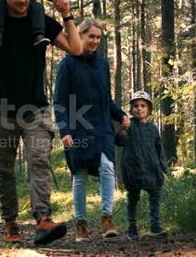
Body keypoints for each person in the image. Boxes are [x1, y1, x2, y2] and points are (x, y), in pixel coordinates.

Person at [0, 0, 82, 245]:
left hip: (35, 108)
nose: (22, 0)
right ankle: (10, 222)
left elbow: (76, 48)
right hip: (0, 110)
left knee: (39, 162)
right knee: (3, 170)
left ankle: (43, 219)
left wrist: (67, 15)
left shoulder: (42, 21)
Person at [53, 18, 130, 242]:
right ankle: (81, 224)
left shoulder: (103, 64)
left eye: (98, 37)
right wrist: (65, 130)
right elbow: (59, 100)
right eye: (91, 36)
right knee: (80, 175)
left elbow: (107, 100)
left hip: (103, 128)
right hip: (78, 128)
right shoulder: (67, 64)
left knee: (107, 168)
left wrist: (121, 115)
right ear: (80, 36)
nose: (95, 41)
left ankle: (107, 219)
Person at [115, 91, 169, 240]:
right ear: (132, 108)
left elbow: (159, 149)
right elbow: (120, 141)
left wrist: (163, 169)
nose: (139, 109)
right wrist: (121, 130)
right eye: (136, 106)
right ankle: (132, 228)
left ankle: (155, 226)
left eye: (143, 106)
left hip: (152, 168)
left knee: (155, 196)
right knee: (133, 198)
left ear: (149, 109)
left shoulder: (153, 128)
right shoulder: (129, 126)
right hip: (133, 167)